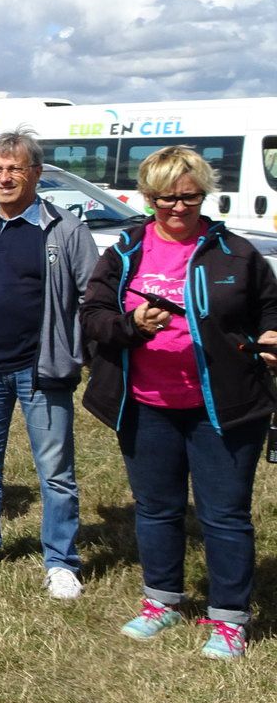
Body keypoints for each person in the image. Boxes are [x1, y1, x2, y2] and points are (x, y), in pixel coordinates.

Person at [80, 145, 277, 659]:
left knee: (224, 514)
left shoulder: (235, 252)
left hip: (224, 406)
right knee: (157, 508)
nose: (178, 208)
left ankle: (230, 618)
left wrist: (273, 334)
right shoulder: (124, 250)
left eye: (189, 197)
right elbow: (93, 315)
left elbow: (269, 307)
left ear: (204, 195)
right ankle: (161, 600)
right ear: (147, 198)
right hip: (145, 405)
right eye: (165, 199)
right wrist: (131, 326)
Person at [0, 130, 96, 601]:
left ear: (36, 174)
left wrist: (75, 351)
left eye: (15, 169)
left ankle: (61, 561)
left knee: (55, 472)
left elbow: (92, 297)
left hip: (41, 369)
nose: (5, 177)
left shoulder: (65, 230)